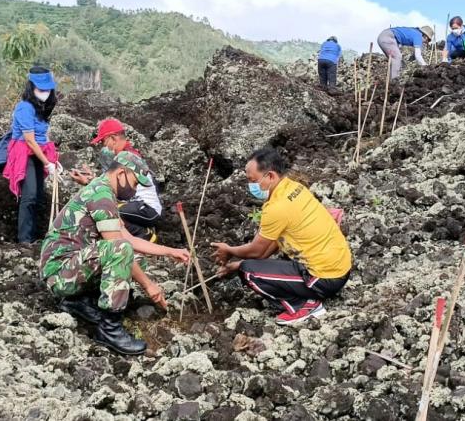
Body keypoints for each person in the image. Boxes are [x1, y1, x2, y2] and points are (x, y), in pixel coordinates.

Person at [41, 151, 190, 355]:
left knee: (135, 259)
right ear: (121, 174)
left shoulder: (105, 192)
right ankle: (109, 328)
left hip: (72, 268)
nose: (135, 189)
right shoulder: (101, 196)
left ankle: (78, 301)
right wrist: (149, 286)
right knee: (121, 252)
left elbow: (128, 237)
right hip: (60, 273)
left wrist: (171, 251)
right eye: (135, 183)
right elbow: (119, 246)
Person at [211, 147, 352, 325]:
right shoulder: (295, 188)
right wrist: (234, 264)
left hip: (323, 279)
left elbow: (256, 251)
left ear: (270, 176)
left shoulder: (277, 207)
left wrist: (229, 251)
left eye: (253, 181)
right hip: (340, 269)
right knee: (248, 264)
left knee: (248, 272)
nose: (251, 186)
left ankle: (304, 305)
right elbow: (270, 247)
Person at [69, 118, 163, 242]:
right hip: (139, 206)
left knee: (108, 210)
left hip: (147, 208)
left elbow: (116, 191)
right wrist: (92, 179)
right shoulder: (125, 156)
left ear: (113, 138)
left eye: (103, 141)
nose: (103, 146)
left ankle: (144, 235)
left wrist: (89, 182)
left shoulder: (126, 159)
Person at [3, 67, 60, 243]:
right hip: (24, 153)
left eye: (47, 90)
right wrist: (47, 164)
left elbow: (44, 138)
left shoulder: (41, 108)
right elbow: (29, 140)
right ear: (32, 88)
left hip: (38, 153)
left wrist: (53, 161)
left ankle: (34, 235)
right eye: (41, 89)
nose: (45, 93)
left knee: (39, 196)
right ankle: (24, 239)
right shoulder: (24, 108)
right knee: (29, 196)